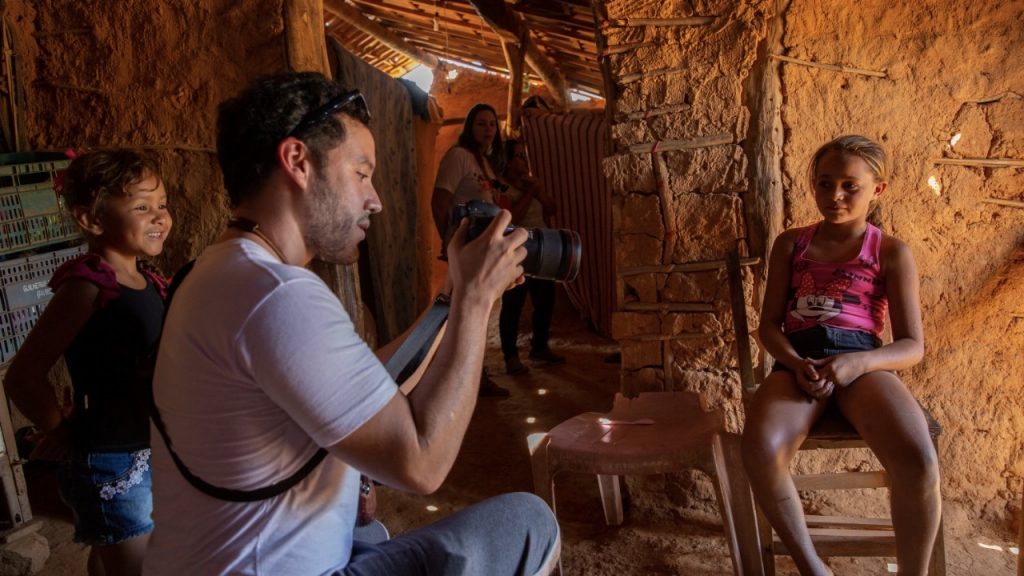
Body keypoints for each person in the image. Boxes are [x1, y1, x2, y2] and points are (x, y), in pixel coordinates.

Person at [144, 72, 559, 576]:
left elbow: (363, 385)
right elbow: (421, 465)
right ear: (298, 161)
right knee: (529, 520)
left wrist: (450, 296)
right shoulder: (279, 295)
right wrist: (476, 302)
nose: (375, 199)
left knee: (369, 531)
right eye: (361, 174)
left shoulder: (220, 271)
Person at [741, 135, 940, 576]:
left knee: (919, 459)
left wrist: (858, 363)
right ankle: (814, 567)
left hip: (862, 362)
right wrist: (795, 363)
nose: (835, 196)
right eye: (825, 183)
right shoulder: (791, 245)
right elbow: (769, 325)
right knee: (758, 448)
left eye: (850, 186)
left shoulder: (890, 252)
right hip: (799, 361)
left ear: (878, 189)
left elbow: (912, 346)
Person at [6, 149, 172, 576]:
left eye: (162, 206)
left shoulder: (148, 280)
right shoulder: (88, 286)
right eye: (141, 207)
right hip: (110, 461)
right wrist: (60, 431)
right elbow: (24, 375)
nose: (158, 217)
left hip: (142, 448)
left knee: (113, 559)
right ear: (91, 220)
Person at [431, 102, 511, 396]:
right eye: (481, 123)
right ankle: (457, 378)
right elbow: (440, 200)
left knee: (484, 312)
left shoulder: (484, 163)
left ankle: (476, 375)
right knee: (462, 310)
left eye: (492, 124)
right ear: (469, 127)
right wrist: (449, 243)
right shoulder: (459, 157)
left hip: (482, 250)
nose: (488, 129)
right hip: (467, 250)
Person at [498, 139, 565, 375]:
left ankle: (539, 347)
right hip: (517, 253)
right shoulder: (503, 188)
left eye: (524, 156)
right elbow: (511, 217)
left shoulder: (531, 183)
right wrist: (529, 193)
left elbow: (552, 209)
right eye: (517, 156)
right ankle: (511, 356)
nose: (522, 161)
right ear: (506, 161)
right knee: (513, 305)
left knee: (546, 300)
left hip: (542, 250)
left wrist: (539, 191)